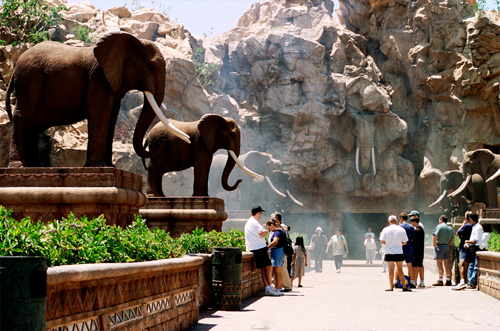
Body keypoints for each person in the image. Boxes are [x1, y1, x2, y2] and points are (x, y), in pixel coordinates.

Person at [244, 206, 281, 296]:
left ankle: (269, 287)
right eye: (261, 213)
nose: (261, 215)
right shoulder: (253, 222)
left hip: (257, 247)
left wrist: (264, 233)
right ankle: (269, 287)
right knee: (268, 267)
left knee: (264, 268)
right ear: (258, 213)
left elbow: (264, 232)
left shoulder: (252, 222)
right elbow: (263, 232)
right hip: (258, 248)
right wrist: (264, 233)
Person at [380, 215, 410, 292]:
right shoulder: (401, 229)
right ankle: (404, 286)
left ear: (389, 221)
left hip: (389, 251)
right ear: (396, 221)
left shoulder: (385, 230)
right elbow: (405, 242)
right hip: (399, 251)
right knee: (400, 270)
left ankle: (391, 286)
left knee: (391, 269)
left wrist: (388, 244)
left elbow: (382, 241)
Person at [270, 212, 292, 292]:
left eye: (272, 218)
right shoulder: (279, 227)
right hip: (279, 250)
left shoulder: (280, 227)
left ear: (276, 219)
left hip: (280, 250)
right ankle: (281, 285)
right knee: (280, 269)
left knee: (281, 268)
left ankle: (286, 286)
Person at [453, 211, 473, 291]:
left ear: (466, 218)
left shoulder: (466, 226)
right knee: (466, 265)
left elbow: (457, 233)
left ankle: (462, 281)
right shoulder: (473, 226)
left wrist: (462, 224)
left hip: (463, 246)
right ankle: (465, 281)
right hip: (470, 247)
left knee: (461, 264)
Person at [432, 215, 454, 286]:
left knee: (439, 264)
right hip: (447, 247)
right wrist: (449, 244)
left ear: (441, 219)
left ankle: (440, 280)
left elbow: (435, 236)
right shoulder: (450, 228)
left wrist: (434, 244)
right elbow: (452, 239)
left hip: (440, 246)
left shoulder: (439, 226)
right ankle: (448, 280)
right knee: (446, 265)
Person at [266, 219, 287, 294]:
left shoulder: (277, 231)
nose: (269, 230)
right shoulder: (281, 230)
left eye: (269, 228)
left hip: (277, 252)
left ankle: (278, 288)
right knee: (278, 271)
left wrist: (267, 247)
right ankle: (280, 288)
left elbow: (275, 241)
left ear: (272, 225)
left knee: (276, 271)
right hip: (280, 252)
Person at [464, 213, 483, 289]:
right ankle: (470, 282)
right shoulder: (474, 227)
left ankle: (472, 283)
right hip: (471, 248)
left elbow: (475, 241)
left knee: (475, 266)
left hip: (476, 248)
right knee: (471, 266)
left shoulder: (478, 227)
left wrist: (467, 241)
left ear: (471, 219)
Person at [399, 212, 416, 288]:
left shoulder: (399, 227)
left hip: (400, 248)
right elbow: (412, 239)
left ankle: (396, 281)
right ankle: (412, 281)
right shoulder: (411, 227)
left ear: (401, 218)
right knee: (410, 265)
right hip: (409, 248)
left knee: (399, 266)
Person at [410, 215, 425, 287]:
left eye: (412, 222)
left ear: (415, 222)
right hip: (420, 250)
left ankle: (414, 281)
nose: (411, 224)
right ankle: (421, 281)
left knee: (414, 266)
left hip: (416, 250)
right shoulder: (421, 229)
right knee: (419, 265)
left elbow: (412, 240)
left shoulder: (416, 230)